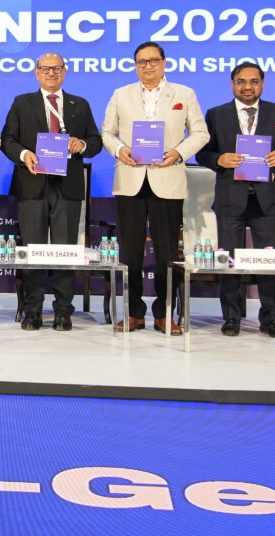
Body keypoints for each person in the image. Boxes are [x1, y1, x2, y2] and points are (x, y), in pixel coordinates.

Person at [101, 41, 209, 335]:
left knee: (166, 253)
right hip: (130, 180)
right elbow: (107, 133)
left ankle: (164, 313)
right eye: (141, 62)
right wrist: (119, 149)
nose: (147, 66)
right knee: (130, 252)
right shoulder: (121, 94)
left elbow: (201, 133)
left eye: (153, 61)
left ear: (164, 63)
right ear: (135, 65)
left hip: (167, 179)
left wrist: (179, 153)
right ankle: (133, 313)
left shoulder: (184, 94)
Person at [0, 52, 102, 331]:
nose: (51, 73)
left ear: (64, 72)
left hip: (68, 186)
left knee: (64, 251)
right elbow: (7, 140)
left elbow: (95, 141)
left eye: (56, 68)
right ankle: (32, 310)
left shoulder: (79, 104)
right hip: (32, 184)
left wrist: (82, 144)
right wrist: (24, 155)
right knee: (33, 250)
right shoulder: (22, 102)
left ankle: (63, 310)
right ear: (37, 73)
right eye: (45, 68)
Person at [196, 62, 275, 337]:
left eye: (253, 81)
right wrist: (219, 159)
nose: (247, 86)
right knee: (229, 261)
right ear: (232, 84)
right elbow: (202, 153)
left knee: (269, 262)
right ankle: (231, 317)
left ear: (262, 83)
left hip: (266, 198)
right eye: (241, 81)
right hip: (231, 197)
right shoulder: (217, 114)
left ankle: (271, 319)